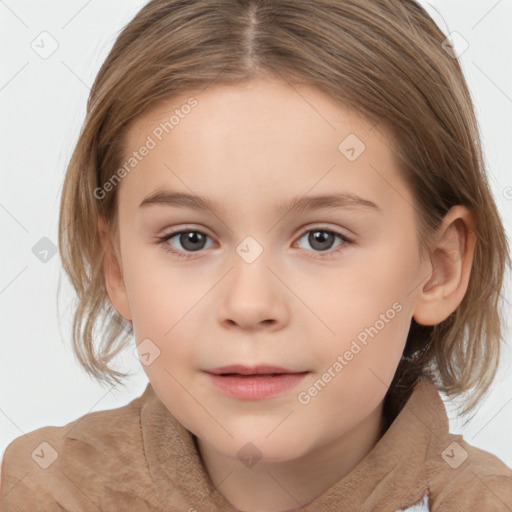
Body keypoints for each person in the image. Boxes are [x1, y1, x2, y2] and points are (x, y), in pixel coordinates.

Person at [1, 0, 511, 510]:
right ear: (115, 265)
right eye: (190, 239)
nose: (248, 305)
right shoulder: (42, 492)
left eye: (321, 239)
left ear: (439, 268)